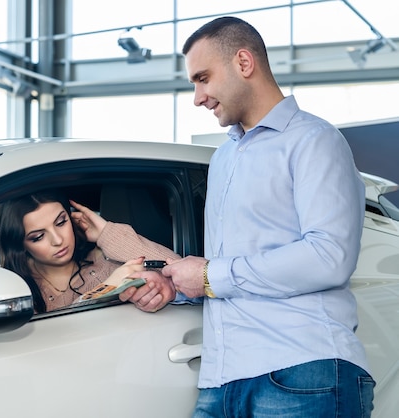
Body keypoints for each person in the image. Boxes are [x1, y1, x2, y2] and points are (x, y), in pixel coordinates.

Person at [122, 16, 375, 417]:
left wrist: (207, 275)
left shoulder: (314, 140)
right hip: (223, 378)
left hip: (303, 373)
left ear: (244, 63)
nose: (197, 97)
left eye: (203, 78)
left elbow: (329, 257)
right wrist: (181, 286)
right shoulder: (224, 158)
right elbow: (231, 269)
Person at [0, 190, 178, 313]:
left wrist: (106, 232)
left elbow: (182, 271)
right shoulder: (13, 288)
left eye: (61, 222)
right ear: (20, 244)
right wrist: (107, 288)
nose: (58, 240)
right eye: (38, 237)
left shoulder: (107, 262)